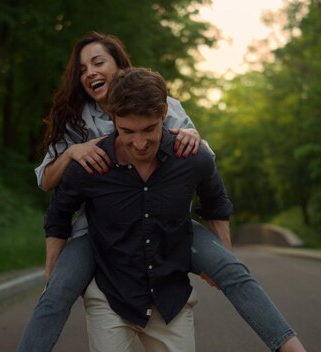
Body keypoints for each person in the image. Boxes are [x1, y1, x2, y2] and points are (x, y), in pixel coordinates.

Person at [16, 31, 305, 352]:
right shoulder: (76, 122)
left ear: (119, 66)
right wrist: (72, 153)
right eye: (82, 70)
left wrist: (193, 135)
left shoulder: (163, 103)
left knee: (232, 271)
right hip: (98, 230)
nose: (90, 73)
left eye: (98, 63)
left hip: (166, 220)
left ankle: (290, 347)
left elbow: (202, 165)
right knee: (56, 292)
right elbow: (50, 188)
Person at [45, 67, 234, 351]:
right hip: (109, 300)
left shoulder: (192, 158)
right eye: (127, 131)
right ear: (112, 119)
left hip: (171, 304)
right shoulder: (90, 165)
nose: (140, 142)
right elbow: (58, 215)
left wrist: (223, 260)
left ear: (164, 113)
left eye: (149, 129)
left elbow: (216, 203)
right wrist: (52, 278)